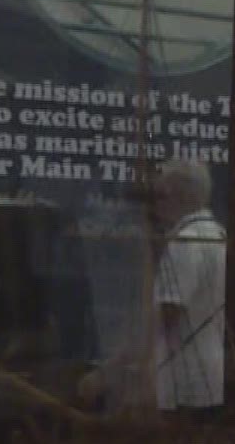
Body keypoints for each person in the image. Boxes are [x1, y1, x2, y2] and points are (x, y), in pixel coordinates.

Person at [80, 159, 227, 416]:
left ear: (178, 195)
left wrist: (109, 371)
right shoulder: (214, 233)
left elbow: (165, 318)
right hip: (203, 375)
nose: (154, 207)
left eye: (159, 196)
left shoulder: (187, 242)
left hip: (187, 379)